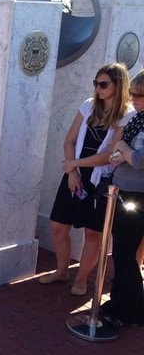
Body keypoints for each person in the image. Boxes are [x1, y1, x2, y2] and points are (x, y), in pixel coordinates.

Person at [39, 62, 134, 296]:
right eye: (96, 83)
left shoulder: (127, 115)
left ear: (118, 85)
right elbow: (69, 140)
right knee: (58, 226)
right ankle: (62, 271)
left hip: (100, 181)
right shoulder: (88, 106)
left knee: (93, 233)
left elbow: (109, 155)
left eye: (103, 84)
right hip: (75, 175)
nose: (98, 88)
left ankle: (81, 279)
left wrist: (74, 164)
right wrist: (72, 171)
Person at [99, 70, 144, 327]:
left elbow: (138, 160)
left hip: (137, 196)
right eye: (133, 94)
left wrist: (122, 149)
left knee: (126, 255)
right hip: (122, 190)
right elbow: (122, 153)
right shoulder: (138, 120)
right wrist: (120, 153)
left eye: (140, 95)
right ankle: (119, 301)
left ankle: (133, 309)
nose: (134, 100)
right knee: (121, 253)